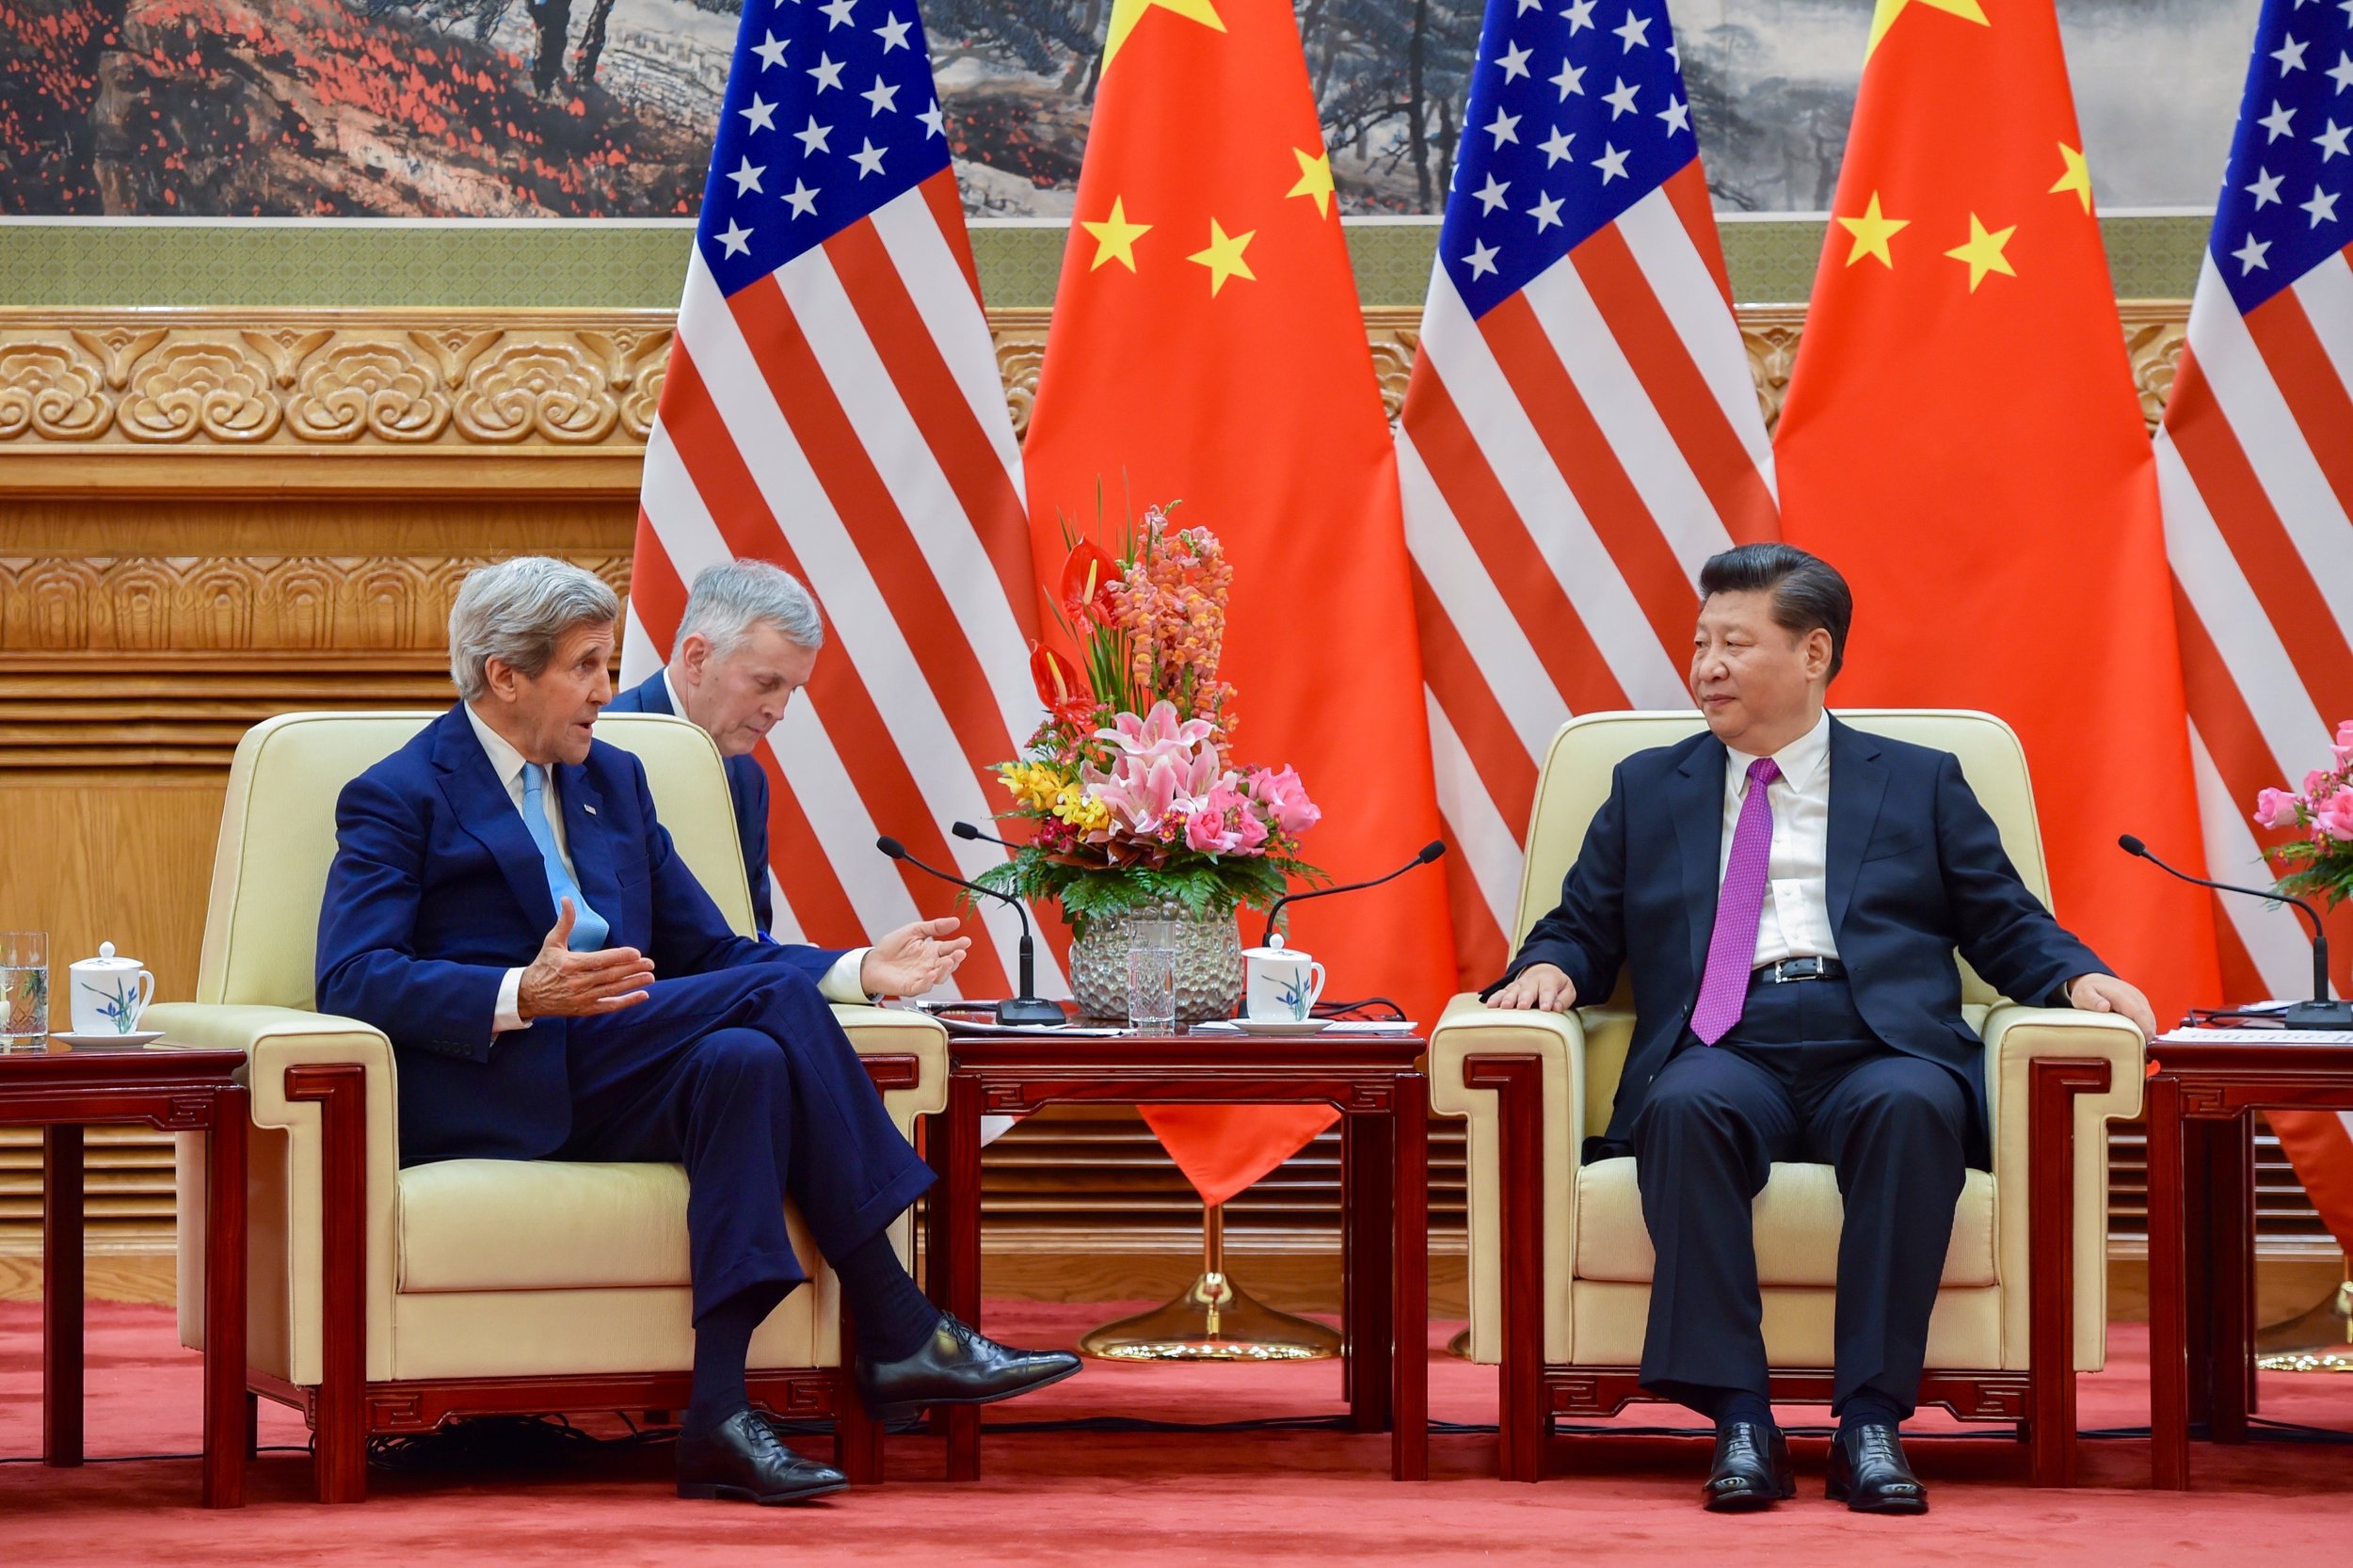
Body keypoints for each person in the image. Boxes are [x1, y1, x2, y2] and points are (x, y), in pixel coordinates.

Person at [315, 556, 1079, 1507]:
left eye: (606, 664)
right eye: (585, 667)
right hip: (498, 1082)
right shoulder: (401, 793)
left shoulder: (616, 781)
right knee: (758, 1020)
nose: (607, 691)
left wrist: (855, 971)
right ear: (504, 675)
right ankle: (897, 1319)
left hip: (618, 1065)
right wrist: (521, 990)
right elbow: (352, 975)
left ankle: (719, 1414)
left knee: (744, 1057)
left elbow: (709, 948)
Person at [1483, 543, 2154, 1516]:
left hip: (1873, 1037)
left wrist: (2077, 975)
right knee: (1682, 1111)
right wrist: (1546, 964)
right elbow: (1581, 923)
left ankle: (1871, 1420)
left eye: (1733, 642)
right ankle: (1742, 1419)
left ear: (1812, 653)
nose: (1706, 664)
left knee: (1916, 1108)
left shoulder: (1920, 781)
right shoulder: (1646, 787)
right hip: (1724, 1037)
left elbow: (2003, 919)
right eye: (1699, 641)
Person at [605, 558, 820, 937]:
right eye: (766, 683)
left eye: (792, 690)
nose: (779, 711)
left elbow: (748, 936)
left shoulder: (746, 779)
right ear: (697, 658)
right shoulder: (601, 746)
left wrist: (852, 968)